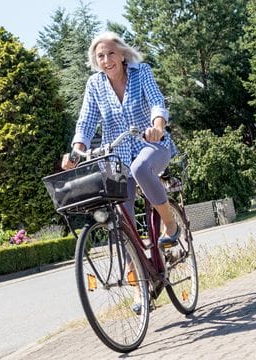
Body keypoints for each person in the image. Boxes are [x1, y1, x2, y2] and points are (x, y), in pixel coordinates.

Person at [61, 31, 180, 248]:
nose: (107, 60)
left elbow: (156, 101)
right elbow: (86, 121)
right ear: (96, 61)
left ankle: (170, 223)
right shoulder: (95, 84)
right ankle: (136, 272)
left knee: (140, 168)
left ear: (123, 55)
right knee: (120, 212)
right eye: (101, 56)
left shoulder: (141, 72)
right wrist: (76, 152)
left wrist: (158, 127)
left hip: (151, 144)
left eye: (111, 53)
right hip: (117, 156)